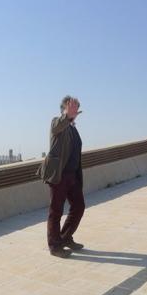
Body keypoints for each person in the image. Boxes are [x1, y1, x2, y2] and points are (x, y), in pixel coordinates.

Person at [37, 96, 86, 258]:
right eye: (71, 107)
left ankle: (65, 237)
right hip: (58, 175)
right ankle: (55, 245)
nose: (75, 110)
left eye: (76, 108)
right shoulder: (56, 123)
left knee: (79, 206)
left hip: (72, 176)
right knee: (56, 211)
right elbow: (59, 125)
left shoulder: (73, 129)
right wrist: (67, 116)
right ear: (64, 109)